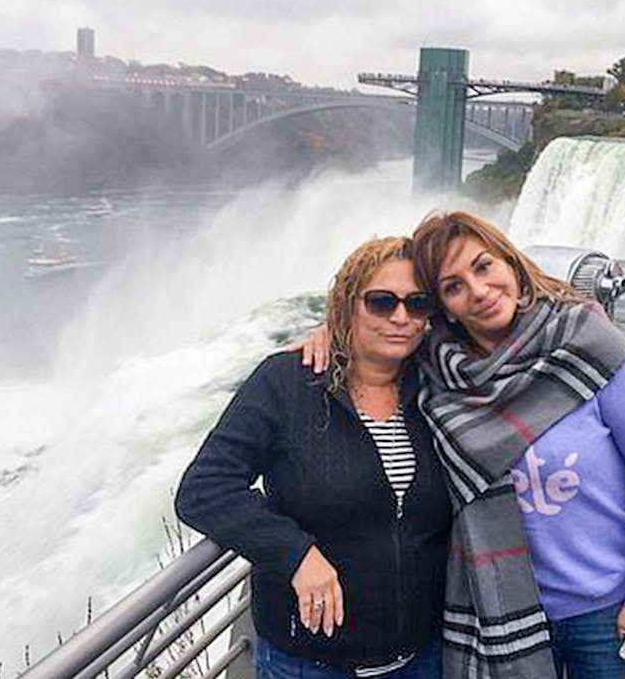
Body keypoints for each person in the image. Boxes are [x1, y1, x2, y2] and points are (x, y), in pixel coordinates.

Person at [302, 212, 625, 679]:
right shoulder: (435, 370)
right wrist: (332, 336)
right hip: (497, 615)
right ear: (444, 308)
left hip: (605, 612)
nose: (478, 290)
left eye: (483, 267)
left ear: (510, 263)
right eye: (454, 286)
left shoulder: (587, 341)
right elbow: (373, 342)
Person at [176, 236, 453, 679]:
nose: (400, 317)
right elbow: (203, 489)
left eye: (416, 303)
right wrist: (294, 552)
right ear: (347, 305)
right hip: (310, 662)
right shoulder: (287, 383)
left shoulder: (439, 385)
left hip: (423, 657)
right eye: (381, 302)